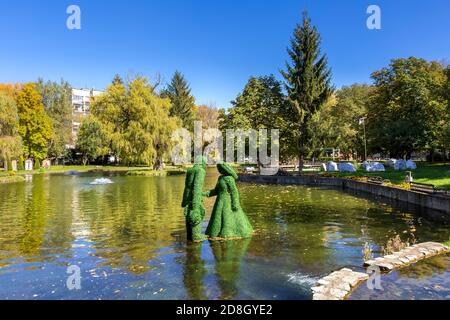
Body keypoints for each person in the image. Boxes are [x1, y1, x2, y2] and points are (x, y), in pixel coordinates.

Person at [204, 163, 253, 239]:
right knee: (218, 218)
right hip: (219, 202)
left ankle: (229, 232)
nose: (219, 170)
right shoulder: (220, 178)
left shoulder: (229, 179)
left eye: (220, 169)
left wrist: (235, 203)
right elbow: (216, 191)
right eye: (218, 169)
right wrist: (205, 194)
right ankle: (216, 232)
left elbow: (234, 192)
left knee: (227, 217)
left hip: (227, 201)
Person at [182, 156, 208, 242]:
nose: (206, 165)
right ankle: (196, 236)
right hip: (194, 198)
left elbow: (187, 187)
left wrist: (184, 201)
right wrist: (196, 207)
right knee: (195, 214)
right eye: (205, 163)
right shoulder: (200, 171)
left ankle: (189, 235)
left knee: (188, 213)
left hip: (187, 197)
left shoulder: (190, 170)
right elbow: (197, 188)